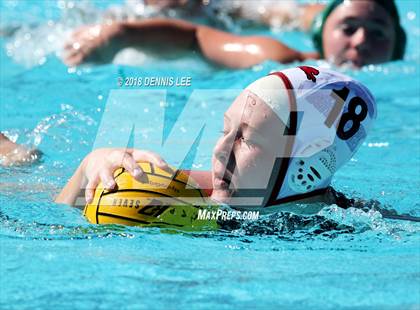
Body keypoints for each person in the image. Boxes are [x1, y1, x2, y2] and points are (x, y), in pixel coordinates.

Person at [56, 66, 378, 216]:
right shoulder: (195, 192)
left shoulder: (360, 226)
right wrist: (91, 165)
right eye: (224, 131)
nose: (219, 150)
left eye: (244, 139)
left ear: (308, 163)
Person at [62, 0, 406, 69]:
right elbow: (196, 39)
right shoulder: (288, 65)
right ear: (320, 38)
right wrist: (123, 34)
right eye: (347, 29)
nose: (361, 41)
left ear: (398, 47)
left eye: (378, 34)